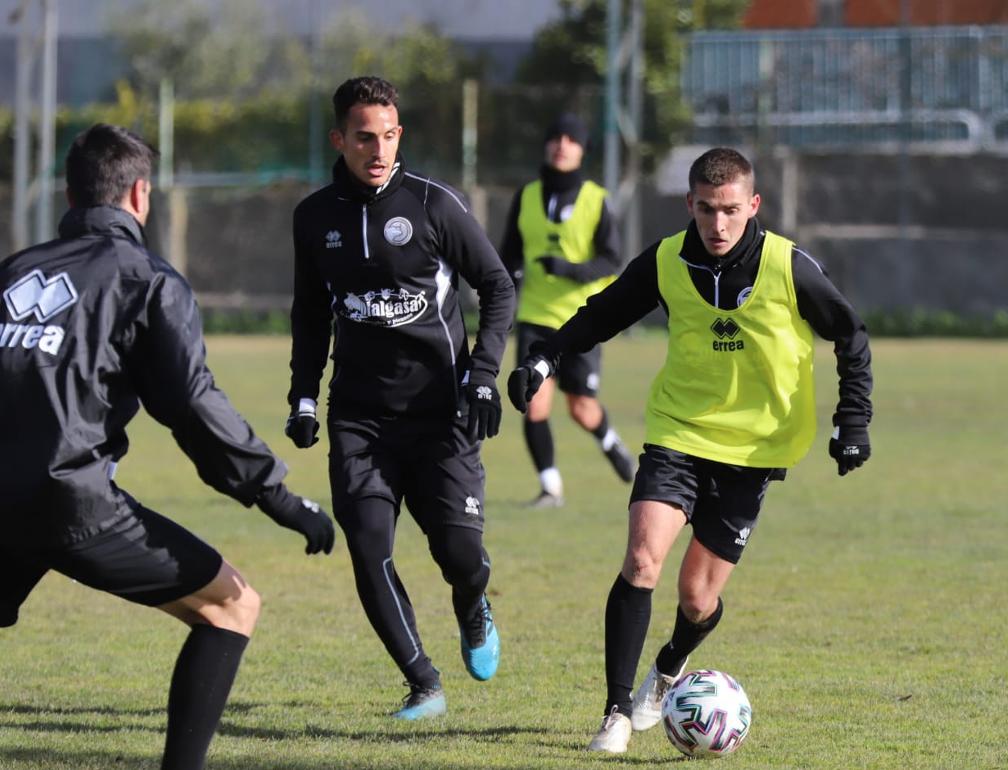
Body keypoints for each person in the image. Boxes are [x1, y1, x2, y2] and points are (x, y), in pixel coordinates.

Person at [507, 148, 873, 753]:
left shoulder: (789, 265)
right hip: (678, 431)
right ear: (690, 205)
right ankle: (616, 713)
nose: (718, 224)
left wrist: (852, 421)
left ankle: (671, 665)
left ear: (753, 205)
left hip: (754, 447)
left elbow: (851, 333)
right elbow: (605, 312)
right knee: (642, 561)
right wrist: (546, 357)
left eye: (731, 209)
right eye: (706, 210)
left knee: (698, 598)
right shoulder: (668, 259)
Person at [0, 124, 335, 770]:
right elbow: (191, 406)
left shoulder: (14, 271)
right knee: (233, 605)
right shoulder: (147, 280)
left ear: (70, 195)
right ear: (140, 195)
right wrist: (279, 499)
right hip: (68, 500)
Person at [285, 76, 514, 720]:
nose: (378, 148)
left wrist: (484, 373)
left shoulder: (434, 206)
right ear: (339, 139)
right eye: (364, 137)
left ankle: (473, 604)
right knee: (368, 545)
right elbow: (310, 314)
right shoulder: (313, 217)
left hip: (443, 413)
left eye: (388, 135)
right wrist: (304, 396)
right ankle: (423, 683)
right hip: (359, 417)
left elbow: (497, 286)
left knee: (461, 556)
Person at [498, 113, 635, 507]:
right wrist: (504, 289)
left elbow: (611, 260)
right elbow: (509, 255)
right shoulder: (525, 196)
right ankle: (550, 486)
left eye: (571, 139)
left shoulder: (596, 200)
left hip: (583, 321)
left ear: (583, 150)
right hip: (535, 318)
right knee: (533, 402)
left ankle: (610, 442)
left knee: (581, 408)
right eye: (555, 137)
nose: (562, 144)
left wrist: (570, 270)